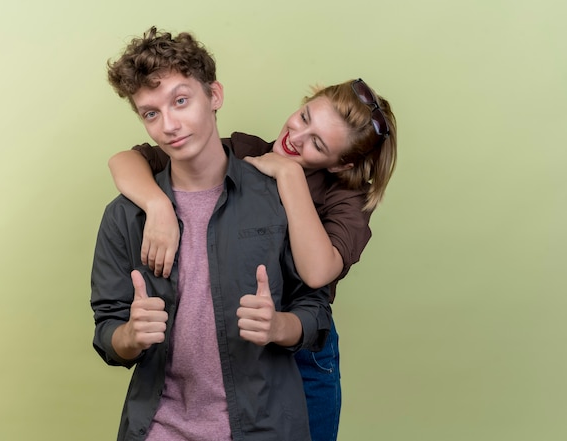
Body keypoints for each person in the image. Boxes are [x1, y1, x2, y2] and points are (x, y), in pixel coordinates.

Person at [108, 75, 397, 440]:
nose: (296, 137)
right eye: (304, 117)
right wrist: (157, 206)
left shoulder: (347, 200)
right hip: (238, 339)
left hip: (302, 348)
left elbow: (316, 272)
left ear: (340, 166)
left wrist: (289, 174)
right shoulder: (243, 151)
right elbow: (125, 160)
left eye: (318, 145)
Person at [90, 26, 332, 441]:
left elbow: (315, 310)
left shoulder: (278, 198)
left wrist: (279, 326)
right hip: (159, 428)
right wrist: (130, 335)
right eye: (151, 113)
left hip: (263, 427)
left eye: (180, 101)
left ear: (214, 96)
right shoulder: (125, 216)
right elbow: (108, 331)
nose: (169, 124)